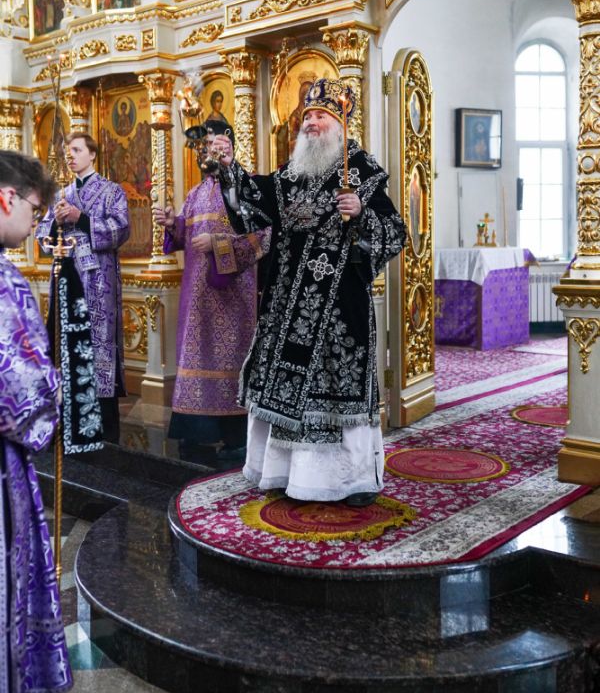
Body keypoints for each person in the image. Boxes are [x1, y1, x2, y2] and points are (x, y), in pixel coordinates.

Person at [213, 78, 407, 505]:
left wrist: (361, 213)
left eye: (321, 115)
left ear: (339, 123)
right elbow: (253, 203)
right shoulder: (292, 173)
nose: (312, 122)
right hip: (286, 305)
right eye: (307, 116)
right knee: (283, 382)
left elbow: (395, 233)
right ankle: (284, 473)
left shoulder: (362, 172)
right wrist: (229, 168)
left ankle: (352, 481)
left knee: (335, 388)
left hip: (338, 307)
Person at [0, 149, 73, 693]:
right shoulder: (5, 283)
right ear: (6, 199)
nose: (36, 222)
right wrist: (56, 388)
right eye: (33, 208)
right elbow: (22, 399)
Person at [153, 121, 270, 463]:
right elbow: (184, 235)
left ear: (231, 149)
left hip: (233, 298)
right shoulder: (195, 193)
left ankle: (235, 438)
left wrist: (219, 243)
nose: (214, 152)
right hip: (196, 297)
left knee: (232, 362)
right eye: (209, 147)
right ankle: (197, 435)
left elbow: (263, 237)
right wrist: (172, 223)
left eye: (221, 146)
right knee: (195, 359)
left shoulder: (248, 189)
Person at [36, 133, 130, 443]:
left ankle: (104, 427)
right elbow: (42, 237)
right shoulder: (60, 195)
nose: (70, 156)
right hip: (66, 280)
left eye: (76, 150)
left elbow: (120, 230)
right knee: (66, 344)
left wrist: (82, 218)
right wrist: (55, 224)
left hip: (99, 283)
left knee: (98, 344)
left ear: (92, 155)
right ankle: (69, 420)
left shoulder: (111, 191)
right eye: (67, 151)